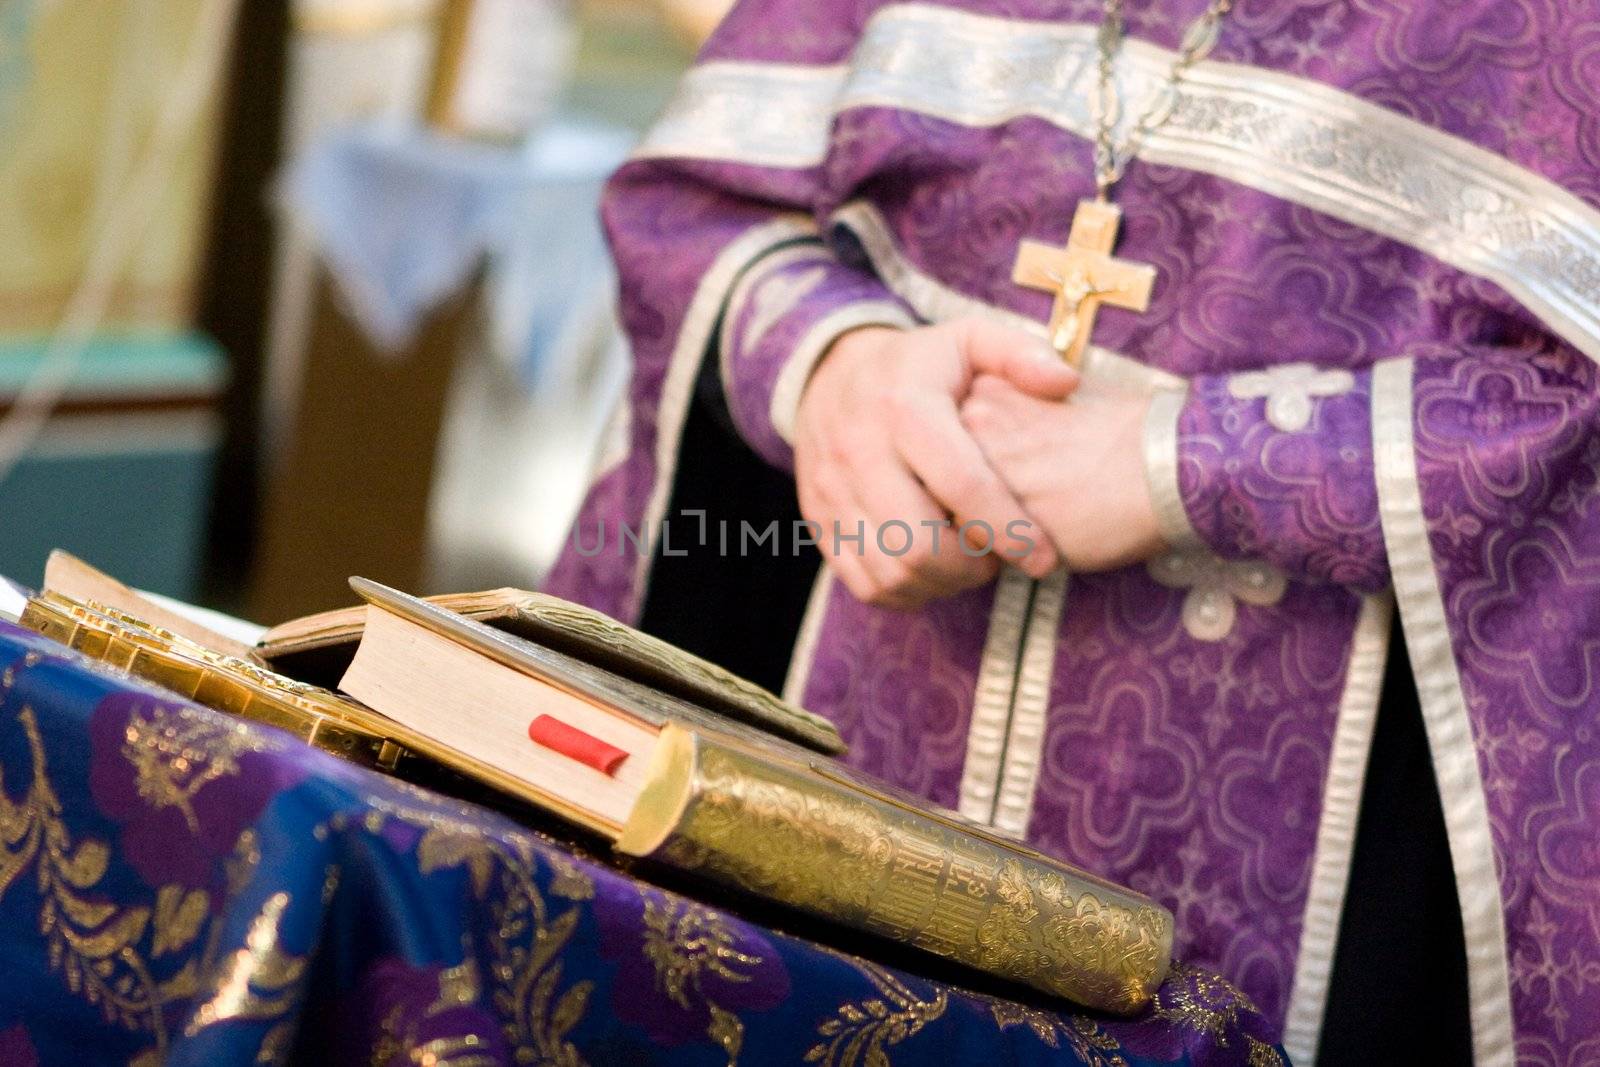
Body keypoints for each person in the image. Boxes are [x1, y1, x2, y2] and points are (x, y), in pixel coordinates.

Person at [546, 2, 1600, 1061]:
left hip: (1324, 876)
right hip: (851, 705)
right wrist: (833, 361)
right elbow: (698, 200)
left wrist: (1194, 458)